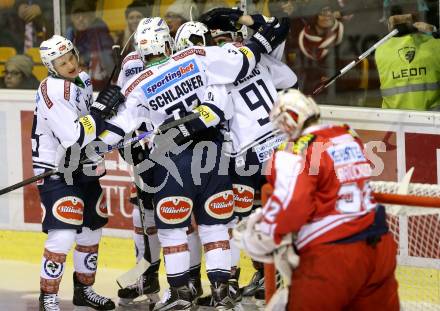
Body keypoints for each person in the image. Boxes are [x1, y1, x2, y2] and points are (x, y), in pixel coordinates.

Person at [99, 15, 288, 310]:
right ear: (167, 42)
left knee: (173, 230)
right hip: (215, 156)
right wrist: (257, 37)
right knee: (215, 226)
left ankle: (180, 293)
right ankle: (222, 289)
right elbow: (223, 98)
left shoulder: (137, 82)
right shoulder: (199, 56)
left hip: (172, 163)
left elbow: (116, 131)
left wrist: (94, 133)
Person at [175, 14, 297, 305]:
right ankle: (277, 275)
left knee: (234, 219)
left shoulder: (213, 71)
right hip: (281, 146)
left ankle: (230, 281)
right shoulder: (254, 57)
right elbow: (290, 79)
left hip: (247, 154)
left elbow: (217, 116)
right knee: (275, 214)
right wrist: (246, 19)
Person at [239, 88, 400, 310]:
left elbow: (292, 210)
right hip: (379, 246)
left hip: (334, 255)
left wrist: (261, 233)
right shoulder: (347, 135)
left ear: (286, 122)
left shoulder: (296, 150)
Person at [34, 34, 124, 310]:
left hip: (85, 167)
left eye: (71, 56)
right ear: (51, 67)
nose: (70, 64)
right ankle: (47, 295)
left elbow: (93, 125)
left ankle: (84, 290)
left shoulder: (81, 81)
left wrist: (110, 118)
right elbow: (74, 137)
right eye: (61, 62)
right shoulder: (51, 90)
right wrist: (99, 110)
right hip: (59, 171)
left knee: (90, 232)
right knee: (62, 235)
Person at [375, 14, 440, 110]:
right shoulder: (435, 44)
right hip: (432, 119)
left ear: (391, 28)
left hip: (393, 118)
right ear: (417, 26)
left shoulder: (380, 50)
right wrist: (434, 31)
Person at [66, 0, 115, 91]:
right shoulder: (70, 34)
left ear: (91, 17)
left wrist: (83, 59)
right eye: (77, 16)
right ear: (72, 18)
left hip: (99, 88)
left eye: (84, 15)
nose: (80, 19)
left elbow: (108, 59)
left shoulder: (100, 32)